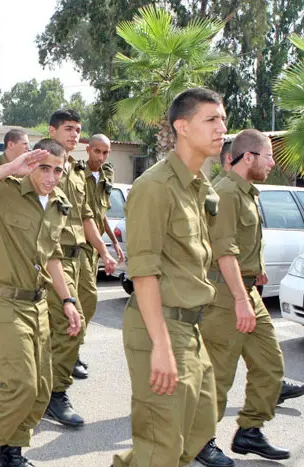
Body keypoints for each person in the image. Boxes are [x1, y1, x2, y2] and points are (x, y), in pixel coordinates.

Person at [112, 88, 226, 467]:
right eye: (211, 120)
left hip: (190, 329)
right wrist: (160, 345)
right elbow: (143, 272)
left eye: (222, 119)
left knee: (197, 428)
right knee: (161, 442)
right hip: (159, 325)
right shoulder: (154, 187)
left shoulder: (197, 186)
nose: (221, 128)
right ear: (182, 126)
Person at [0, 140, 82, 467]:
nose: (51, 176)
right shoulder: (4, 190)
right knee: (20, 384)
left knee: (40, 390)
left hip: (38, 303)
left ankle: (12, 449)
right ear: (31, 163)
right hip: (4, 301)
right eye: (44, 168)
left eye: (58, 170)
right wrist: (10, 167)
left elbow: (52, 256)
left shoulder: (59, 203)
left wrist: (66, 299)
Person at [196, 129, 296, 466]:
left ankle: (249, 430)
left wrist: (259, 268)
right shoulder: (224, 192)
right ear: (248, 157)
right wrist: (241, 299)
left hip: (246, 289)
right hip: (227, 296)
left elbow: (245, 240)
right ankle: (200, 442)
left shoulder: (247, 192)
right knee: (218, 375)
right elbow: (223, 251)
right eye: (268, 155)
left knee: (270, 365)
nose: (272, 162)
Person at [45, 109, 117, 427]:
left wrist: (105, 251)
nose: (75, 135)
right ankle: (55, 394)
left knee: (84, 313)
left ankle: (57, 368)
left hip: (82, 257)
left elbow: (88, 215)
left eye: (78, 130)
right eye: (69, 129)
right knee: (66, 321)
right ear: (52, 131)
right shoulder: (41, 165)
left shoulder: (74, 170)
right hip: (54, 256)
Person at [76, 134, 126, 373]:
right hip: (78, 244)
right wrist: (103, 249)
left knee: (83, 301)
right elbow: (85, 217)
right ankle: (70, 350)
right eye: (98, 152)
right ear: (88, 150)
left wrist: (113, 242)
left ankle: (71, 350)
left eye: (106, 153)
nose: (102, 157)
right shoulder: (77, 175)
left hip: (96, 244)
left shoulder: (105, 175)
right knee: (87, 297)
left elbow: (100, 212)